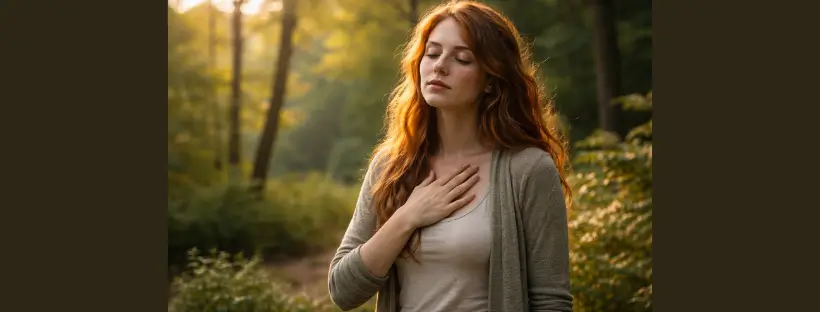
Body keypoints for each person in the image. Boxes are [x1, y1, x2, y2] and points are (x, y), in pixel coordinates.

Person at [328, 1, 573, 311]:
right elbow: (342, 291)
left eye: (462, 59)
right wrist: (407, 216)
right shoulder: (391, 166)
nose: (440, 66)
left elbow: (552, 302)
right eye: (432, 53)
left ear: (490, 80)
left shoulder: (528, 170)